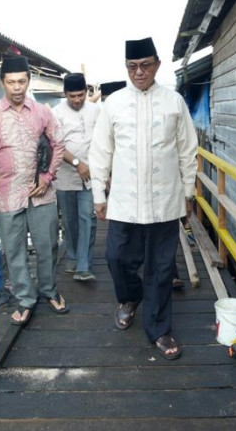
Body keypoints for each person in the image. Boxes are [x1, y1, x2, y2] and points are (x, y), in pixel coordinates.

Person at [89, 37, 198, 360]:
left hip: (165, 200)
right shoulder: (114, 103)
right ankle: (130, 297)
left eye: (145, 65)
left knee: (162, 268)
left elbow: (187, 150)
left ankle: (160, 329)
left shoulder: (174, 102)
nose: (139, 72)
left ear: (158, 65)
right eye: (133, 66)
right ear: (126, 68)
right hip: (123, 201)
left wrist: (188, 194)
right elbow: (100, 153)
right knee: (117, 258)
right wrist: (99, 194)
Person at [0, 55, 68, 326]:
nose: (17, 87)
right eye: (11, 82)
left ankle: (49, 290)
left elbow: (58, 144)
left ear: (29, 81)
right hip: (5, 194)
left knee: (47, 245)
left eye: (22, 81)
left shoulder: (43, 112)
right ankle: (25, 299)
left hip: (42, 194)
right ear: (2, 82)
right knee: (13, 251)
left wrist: (48, 175)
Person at [52, 73, 100, 281]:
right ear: (65, 94)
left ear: (87, 92)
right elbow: (57, 145)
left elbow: (104, 141)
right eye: (72, 96)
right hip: (65, 177)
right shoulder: (56, 113)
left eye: (80, 95)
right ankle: (72, 255)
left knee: (87, 218)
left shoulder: (97, 111)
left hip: (92, 175)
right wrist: (77, 163)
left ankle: (83, 266)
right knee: (70, 221)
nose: (77, 100)